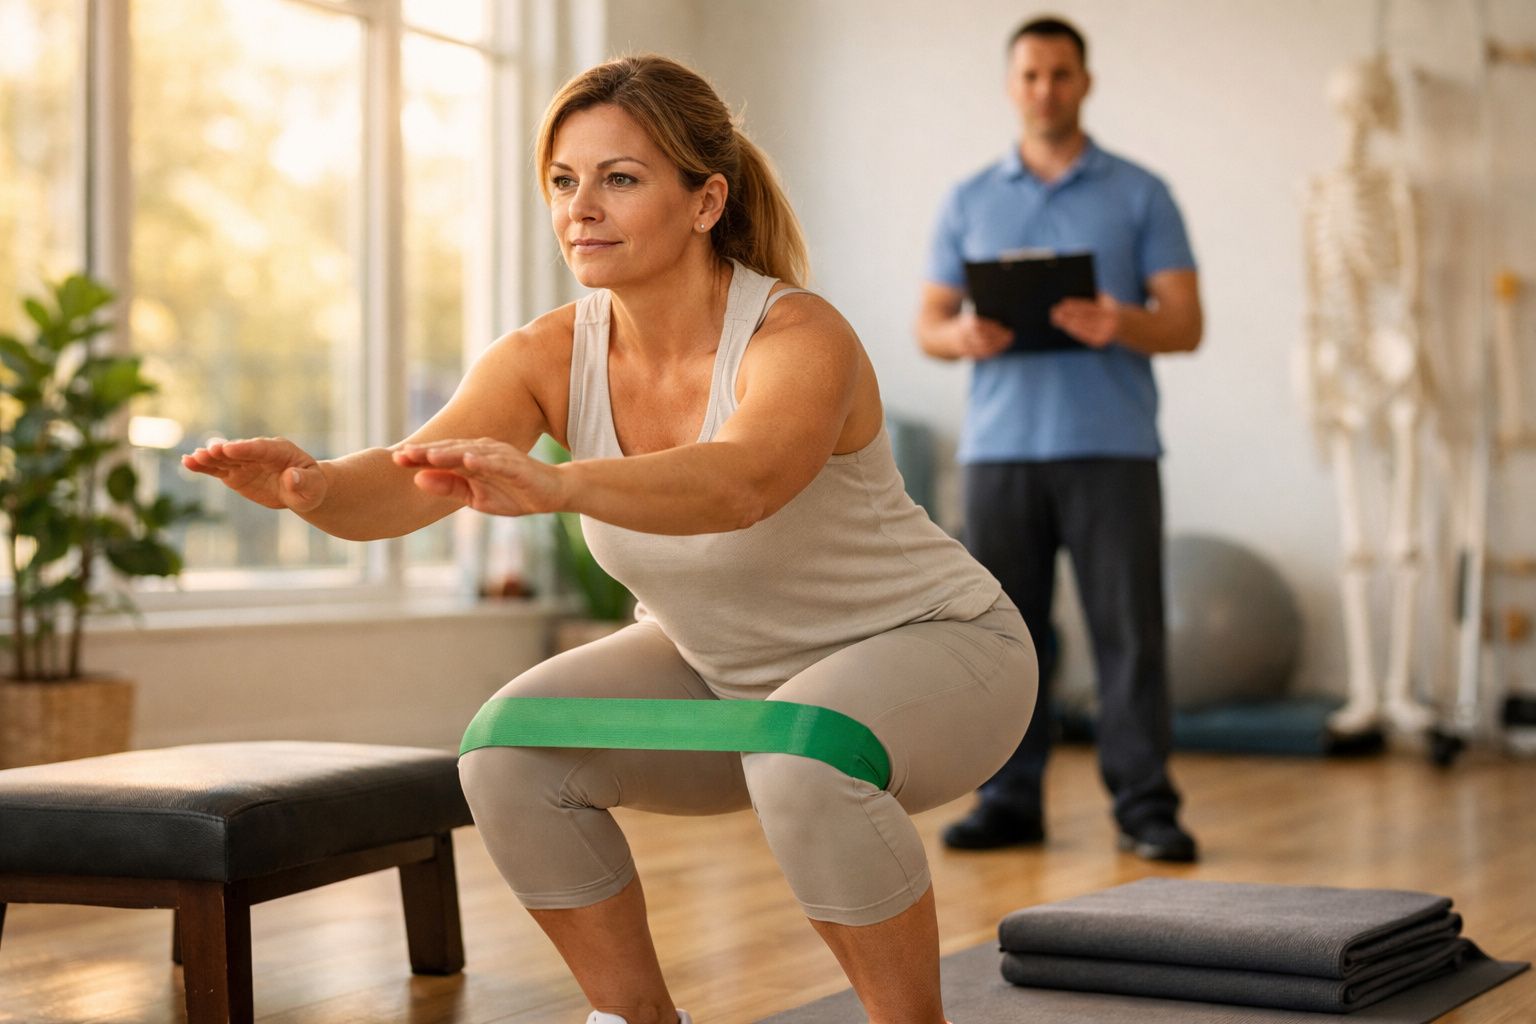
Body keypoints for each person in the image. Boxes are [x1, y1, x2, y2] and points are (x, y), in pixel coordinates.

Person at [185, 54, 1036, 1024]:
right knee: (509, 751)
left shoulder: (799, 335)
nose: (580, 207)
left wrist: (559, 482)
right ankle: (634, 1019)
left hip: (941, 648)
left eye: (619, 178)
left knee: (804, 757)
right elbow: (414, 480)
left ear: (706, 199)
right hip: (725, 667)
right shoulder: (549, 352)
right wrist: (314, 486)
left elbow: (744, 483)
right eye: (563, 180)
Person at [914, 16, 1203, 863]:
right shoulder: (968, 198)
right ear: (1013, 86)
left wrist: (1120, 320)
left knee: (1130, 633)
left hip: (1113, 447)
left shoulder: (1142, 193)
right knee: (1007, 639)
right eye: (1031, 75)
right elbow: (927, 323)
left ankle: (1146, 806)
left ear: (1086, 82)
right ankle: (1008, 800)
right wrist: (959, 335)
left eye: (1061, 75)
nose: (1046, 89)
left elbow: (1185, 323)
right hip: (1000, 452)